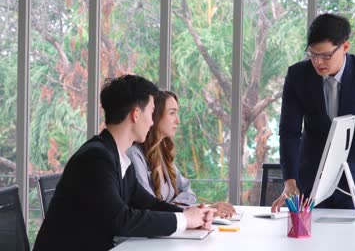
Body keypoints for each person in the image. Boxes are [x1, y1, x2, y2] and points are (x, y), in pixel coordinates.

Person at [34, 75, 215, 251]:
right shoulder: (96, 158)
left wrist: (188, 214)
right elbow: (120, 219)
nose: (152, 122)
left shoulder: (117, 157)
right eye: (152, 113)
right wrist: (184, 221)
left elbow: (146, 203)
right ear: (136, 114)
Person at [271, 13, 355, 218]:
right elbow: (289, 132)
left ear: (345, 47)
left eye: (326, 55)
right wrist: (290, 182)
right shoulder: (297, 76)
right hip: (310, 181)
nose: (318, 62)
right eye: (313, 54)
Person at [127, 90, 236, 218]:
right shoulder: (134, 155)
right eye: (172, 113)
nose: (178, 120)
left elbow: (188, 191)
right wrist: (194, 210)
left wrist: (175, 208)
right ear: (155, 115)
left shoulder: (162, 154)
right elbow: (149, 206)